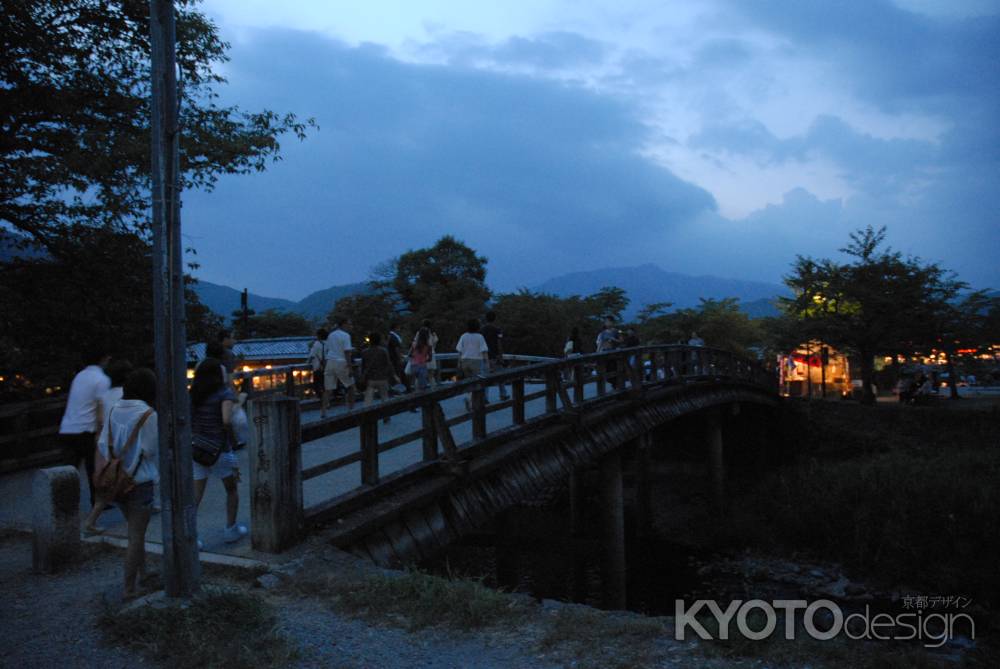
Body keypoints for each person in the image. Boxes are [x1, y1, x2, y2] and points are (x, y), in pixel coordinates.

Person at [89, 368, 159, 597]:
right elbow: (150, 450)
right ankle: (129, 589)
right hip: (139, 481)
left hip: (117, 482)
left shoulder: (113, 410)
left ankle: (144, 573)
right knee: (136, 537)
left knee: (134, 532)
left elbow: (103, 445)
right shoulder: (149, 414)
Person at [190, 358, 247, 546]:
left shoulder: (194, 394)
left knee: (196, 495)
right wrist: (233, 439)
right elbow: (226, 420)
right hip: (219, 449)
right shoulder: (225, 393)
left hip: (198, 449)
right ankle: (231, 529)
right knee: (231, 489)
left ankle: (190, 535)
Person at [82, 358, 133, 527]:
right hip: (122, 445)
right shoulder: (127, 396)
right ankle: (90, 522)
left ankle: (131, 521)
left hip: (105, 444)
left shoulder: (103, 396)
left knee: (111, 484)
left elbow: (98, 421)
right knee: (121, 482)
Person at [58, 348, 111, 509]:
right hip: (87, 429)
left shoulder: (79, 376)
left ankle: (62, 503)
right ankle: (98, 502)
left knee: (69, 469)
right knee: (93, 468)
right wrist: (101, 433)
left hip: (68, 427)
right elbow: (100, 408)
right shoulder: (101, 379)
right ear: (103, 359)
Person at [361, 333, 397, 422]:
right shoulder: (383, 351)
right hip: (382, 377)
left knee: (368, 398)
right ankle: (386, 416)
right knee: (384, 397)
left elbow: (363, 366)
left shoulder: (364, 352)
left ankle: (367, 416)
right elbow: (389, 364)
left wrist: (363, 376)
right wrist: (394, 375)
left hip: (370, 378)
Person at [323, 319, 356, 415]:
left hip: (330, 362)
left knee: (328, 389)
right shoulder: (346, 336)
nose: (350, 326)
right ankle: (351, 409)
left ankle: (323, 411)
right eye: (349, 324)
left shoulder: (331, 335)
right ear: (344, 324)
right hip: (341, 362)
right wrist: (350, 368)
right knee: (351, 386)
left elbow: (329, 349)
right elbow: (347, 352)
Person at [456, 319, 489, 411]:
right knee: (477, 383)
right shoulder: (480, 337)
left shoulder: (463, 336)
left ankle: (468, 398)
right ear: (477, 327)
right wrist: (487, 363)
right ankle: (471, 401)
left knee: (468, 382)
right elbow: (484, 351)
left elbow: (459, 351)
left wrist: (459, 363)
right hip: (476, 361)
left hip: (464, 361)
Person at [480, 311, 509, 402]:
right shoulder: (497, 330)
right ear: (495, 318)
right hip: (495, 356)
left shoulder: (481, 330)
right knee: (501, 376)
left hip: (484, 356)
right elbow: (499, 343)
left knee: (485, 377)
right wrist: (500, 356)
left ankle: (484, 397)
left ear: (486, 318)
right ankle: (503, 394)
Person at [596, 318, 621, 388]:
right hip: (605, 353)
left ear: (612, 322)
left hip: (614, 354)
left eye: (609, 321)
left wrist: (614, 340)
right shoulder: (602, 333)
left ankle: (615, 385)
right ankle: (612, 384)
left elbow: (621, 341)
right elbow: (600, 344)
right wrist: (597, 353)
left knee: (614, 368)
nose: (607, 323)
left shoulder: (616, 331)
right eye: (606, 322)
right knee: (607, 370)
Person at [387, 322, 411, 394]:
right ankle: (402, 390)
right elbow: (396, 348)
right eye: (399, 328)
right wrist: (399, 357)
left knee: (400, 373)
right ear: (396, 328)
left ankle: (406, 389)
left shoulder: (390, 336)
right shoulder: (393, 337)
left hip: (393, 359)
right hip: (395, 359)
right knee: (398, 374)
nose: (399, 329)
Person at [417, 319, 440, 388]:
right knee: (431, 376)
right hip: (431, 353)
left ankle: (418, 392)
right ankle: (433, 391)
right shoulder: (433, 333)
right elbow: (435, 343)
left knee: (419, 376)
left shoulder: (419, 333)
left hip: (421, 354)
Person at [409, 327, 434, 392]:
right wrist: (425, 359)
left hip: (413, 365)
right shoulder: (428, 346)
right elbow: (430, 358)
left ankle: (416, 395)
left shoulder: (414, 344)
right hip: (422, 365)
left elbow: (410, 354)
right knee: (423, 387)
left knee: (416, 380)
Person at [307, 328, 328, 400]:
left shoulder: (316, 344)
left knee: (317, 385)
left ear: (319, 335)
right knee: (325, 385)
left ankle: (322, 399)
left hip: (318, 368)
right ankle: (327, 401)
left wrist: (307, 363)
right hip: (327, 367)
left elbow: (312, 356)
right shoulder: (328, 343)